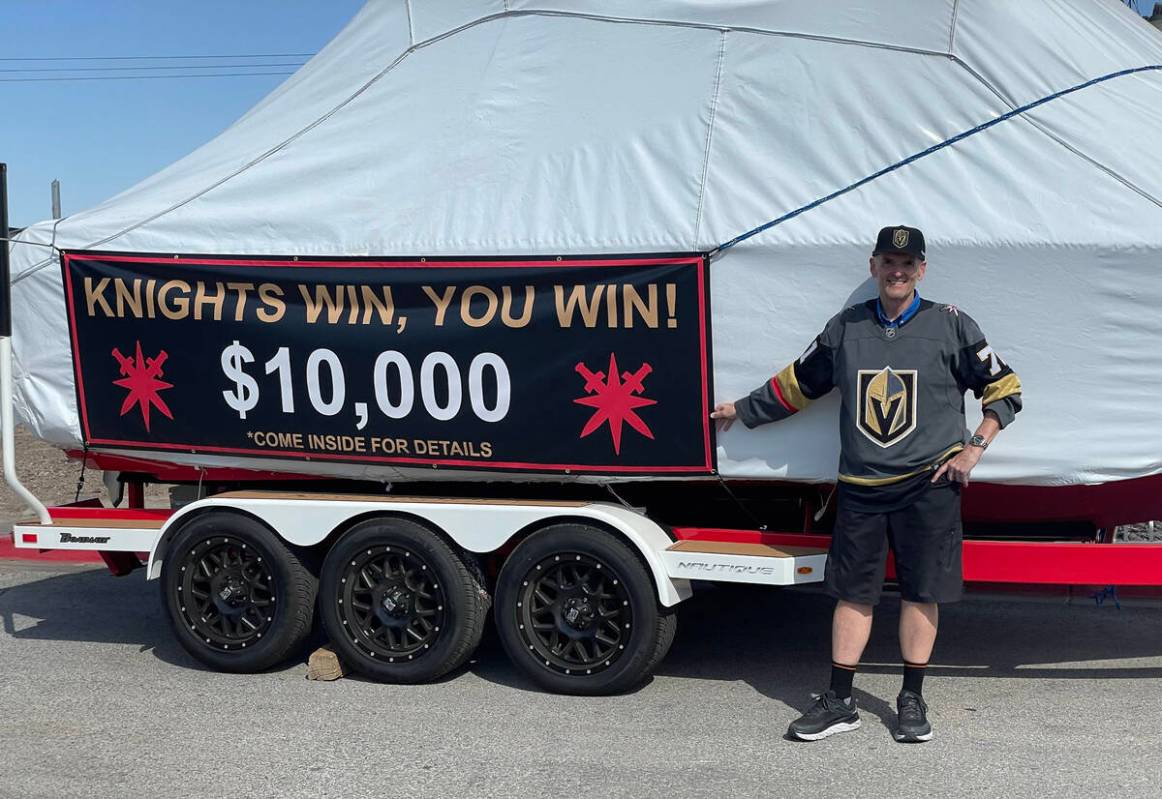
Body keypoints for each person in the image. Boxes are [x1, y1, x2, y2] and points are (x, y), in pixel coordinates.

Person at [711, 225, 1021, 743]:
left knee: (922, 593)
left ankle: (912, 698)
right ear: (873, 266)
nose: (897, 271)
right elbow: (800, 382)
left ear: (921, 269)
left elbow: (1005, 388)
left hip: (930, 484)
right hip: (862, 485)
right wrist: (743, 410)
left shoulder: (952, 325)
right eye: (888, 262)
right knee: (853, 594)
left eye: (907, 263)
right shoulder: (847, 327)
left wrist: (976, 447)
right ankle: (840, 700)